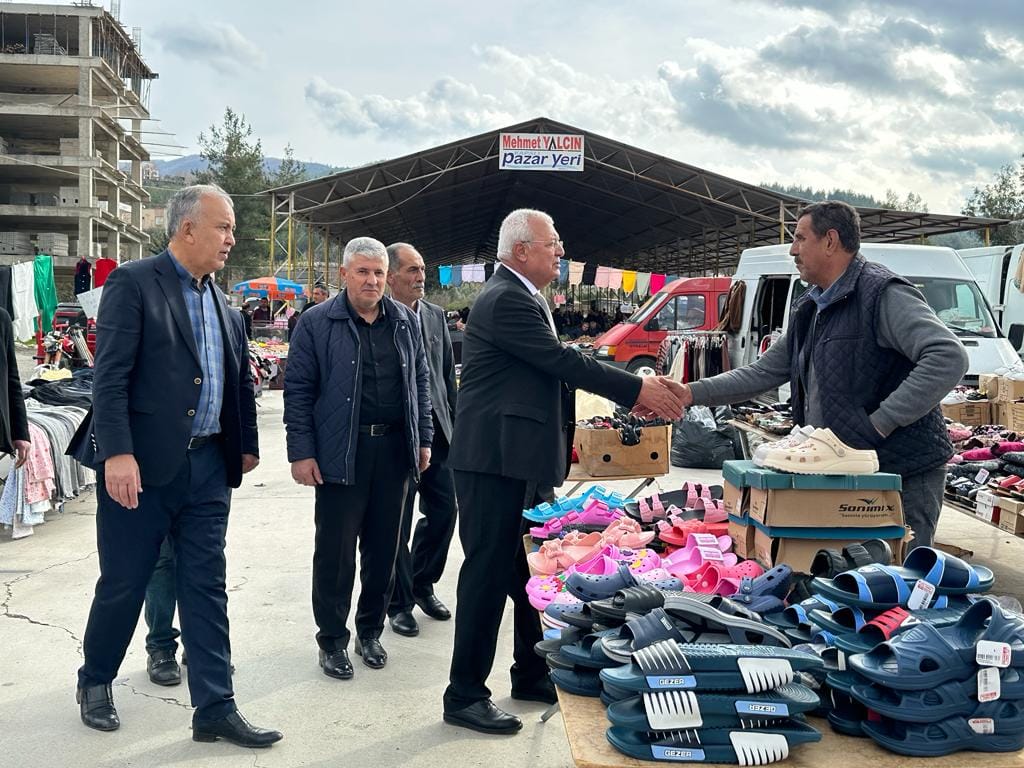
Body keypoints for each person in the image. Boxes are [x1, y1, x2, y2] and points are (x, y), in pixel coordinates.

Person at [441, 208, 686, 735]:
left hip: (522, 459)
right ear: (521, 249)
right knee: (485, 577)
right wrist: (636, 388)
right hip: (494, 462)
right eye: (552, 244)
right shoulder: (506, 298)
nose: (561, 252)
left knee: (529, 573)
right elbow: (560, 362)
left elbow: (552, 368)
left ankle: (530, 671)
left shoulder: (526, 296)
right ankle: (463, 695)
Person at [69, 184, 282, 747]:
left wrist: (247, 444)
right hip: (140, 467)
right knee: (125, 580)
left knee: (206, 585)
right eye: (223, 227)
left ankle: (215, 705)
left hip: (209, 467)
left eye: (233, 228)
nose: (232, 238)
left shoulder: (223, 303)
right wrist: (117, 453)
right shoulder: (135, 283)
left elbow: (238, 381)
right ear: (186, 228)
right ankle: (95, 681)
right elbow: (109, 377)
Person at [679, 200, 968, 549]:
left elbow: (948, 356)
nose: (792, 250)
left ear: (830, 241)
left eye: (800, 238)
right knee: (848, 579)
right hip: (847, 472)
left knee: (898, 580)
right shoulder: (811, 306)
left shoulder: (882, 293)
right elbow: (764, 371)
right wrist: (689, 393)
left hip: (900, 472)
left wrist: (880, 422)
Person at [284, 237, 432, 680]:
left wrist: (423, 440)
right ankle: (332, 639)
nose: (371, 280)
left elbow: (421, 384)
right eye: (363, 272)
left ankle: (370, 631)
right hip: (339, 453)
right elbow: (299, 391)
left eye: (379, 273)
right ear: (344, 274)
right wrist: (301, 452)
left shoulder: (404, 321)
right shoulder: (315, 323)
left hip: (394, 452)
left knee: (385, 550)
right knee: (335, 552)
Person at [384, 243, 459, 638]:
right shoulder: (378, 316)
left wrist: (455, 426)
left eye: (423, 270)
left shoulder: (433, 315)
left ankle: (423, 582)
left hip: (439, 434)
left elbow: (446, 376)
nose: (420, 278)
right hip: (399, 436)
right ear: (391, 276)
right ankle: (399, 602)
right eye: (412, 270)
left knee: (445, 511)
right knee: (397, 519)